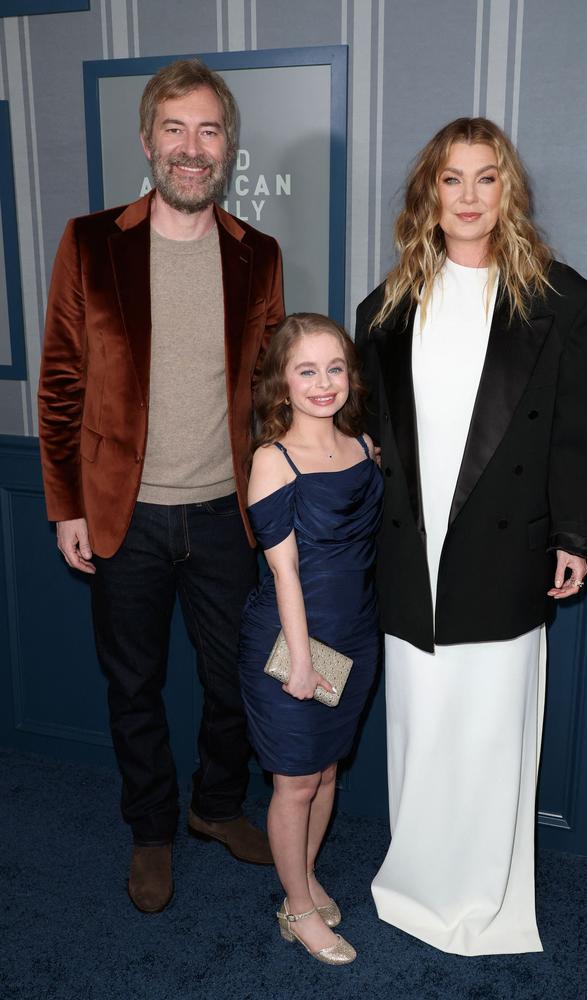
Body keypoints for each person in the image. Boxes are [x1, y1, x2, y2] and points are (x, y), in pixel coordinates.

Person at [355, 117, 587, 956]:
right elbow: (369, 436)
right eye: (451, 178)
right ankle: (418, 879)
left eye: (486, 178)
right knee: (423, 729)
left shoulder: (565, 303)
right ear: (430, 192)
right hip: (410, 548)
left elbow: (576, 435)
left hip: (505, 547)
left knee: (492, 729)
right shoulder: (384, 309)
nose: (468, 196)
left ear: (510, 192)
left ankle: (487, 898)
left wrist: (573, 534)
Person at [38, 59, 284, 914]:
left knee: (236, 684)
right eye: (175, 129)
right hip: (123, 516)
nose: (191, 147)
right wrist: (65, 503)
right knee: (133, 686)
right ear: (147, 141)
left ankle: (216, 807)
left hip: (228, 518)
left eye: (209, 130)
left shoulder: (260, 256)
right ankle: (151, 830)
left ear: (228, 147)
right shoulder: (91, 241)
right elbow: (62, 383)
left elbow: (272, 395)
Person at [238, 313, 383, 964]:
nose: (324, 383)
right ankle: (296, 907)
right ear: (281, 382)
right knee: (294, 781)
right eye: (306, 370)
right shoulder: (274, 458)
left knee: (325, 772)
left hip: (353, 632)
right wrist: (299, 661)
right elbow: (285, 570)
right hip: (290, 637)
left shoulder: (362, 447)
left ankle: (306, 875)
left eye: (335, 368)